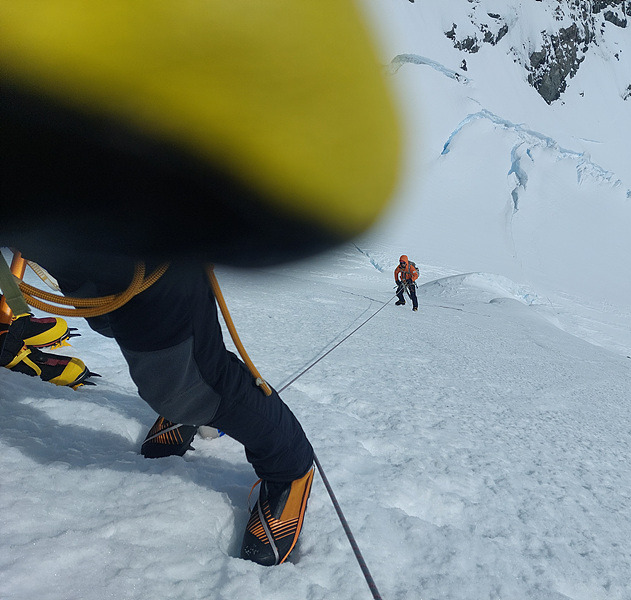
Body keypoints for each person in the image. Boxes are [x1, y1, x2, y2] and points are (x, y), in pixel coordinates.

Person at [0, 0, 401, 568]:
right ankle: (190, 400)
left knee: (185, 379)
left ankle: (287, 462)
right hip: (76, 219)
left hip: (130, 200)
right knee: (110, 318)